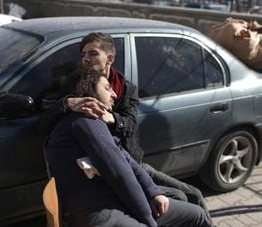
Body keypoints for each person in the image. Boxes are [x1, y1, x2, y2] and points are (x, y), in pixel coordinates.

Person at [39, 32, 212, 222]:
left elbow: (131, 125)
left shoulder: (127, 89)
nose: (86, 59)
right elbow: (46, 115)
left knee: (193, 194)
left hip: (131, 160)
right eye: (83, 54)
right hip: (108, 169)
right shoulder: (79, 87)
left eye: (92, 53)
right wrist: (69, 102)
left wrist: (111, 117)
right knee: (177, 202)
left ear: (109, 58)